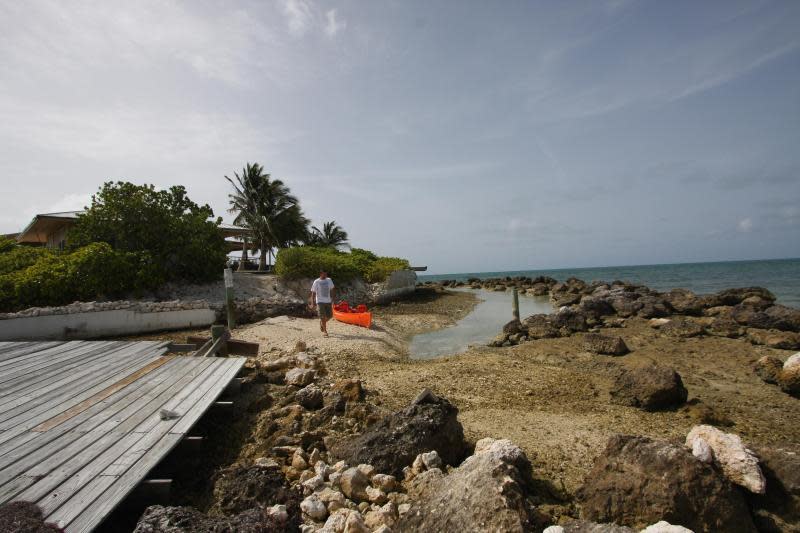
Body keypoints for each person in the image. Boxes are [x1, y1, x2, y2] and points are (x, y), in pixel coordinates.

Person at [310, 270, 335, 337]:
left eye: (326, 274)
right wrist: (313, 303)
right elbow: (313, 292)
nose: (325, 275)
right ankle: (325, 331)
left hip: (328, 301)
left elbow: (332, 289)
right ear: (321, 274)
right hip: (320, 301)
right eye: (324, 274)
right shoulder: (316, 281)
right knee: (322, 316)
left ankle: (322, 323)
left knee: (330, 316)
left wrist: (333, 299)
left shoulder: (329, 280)